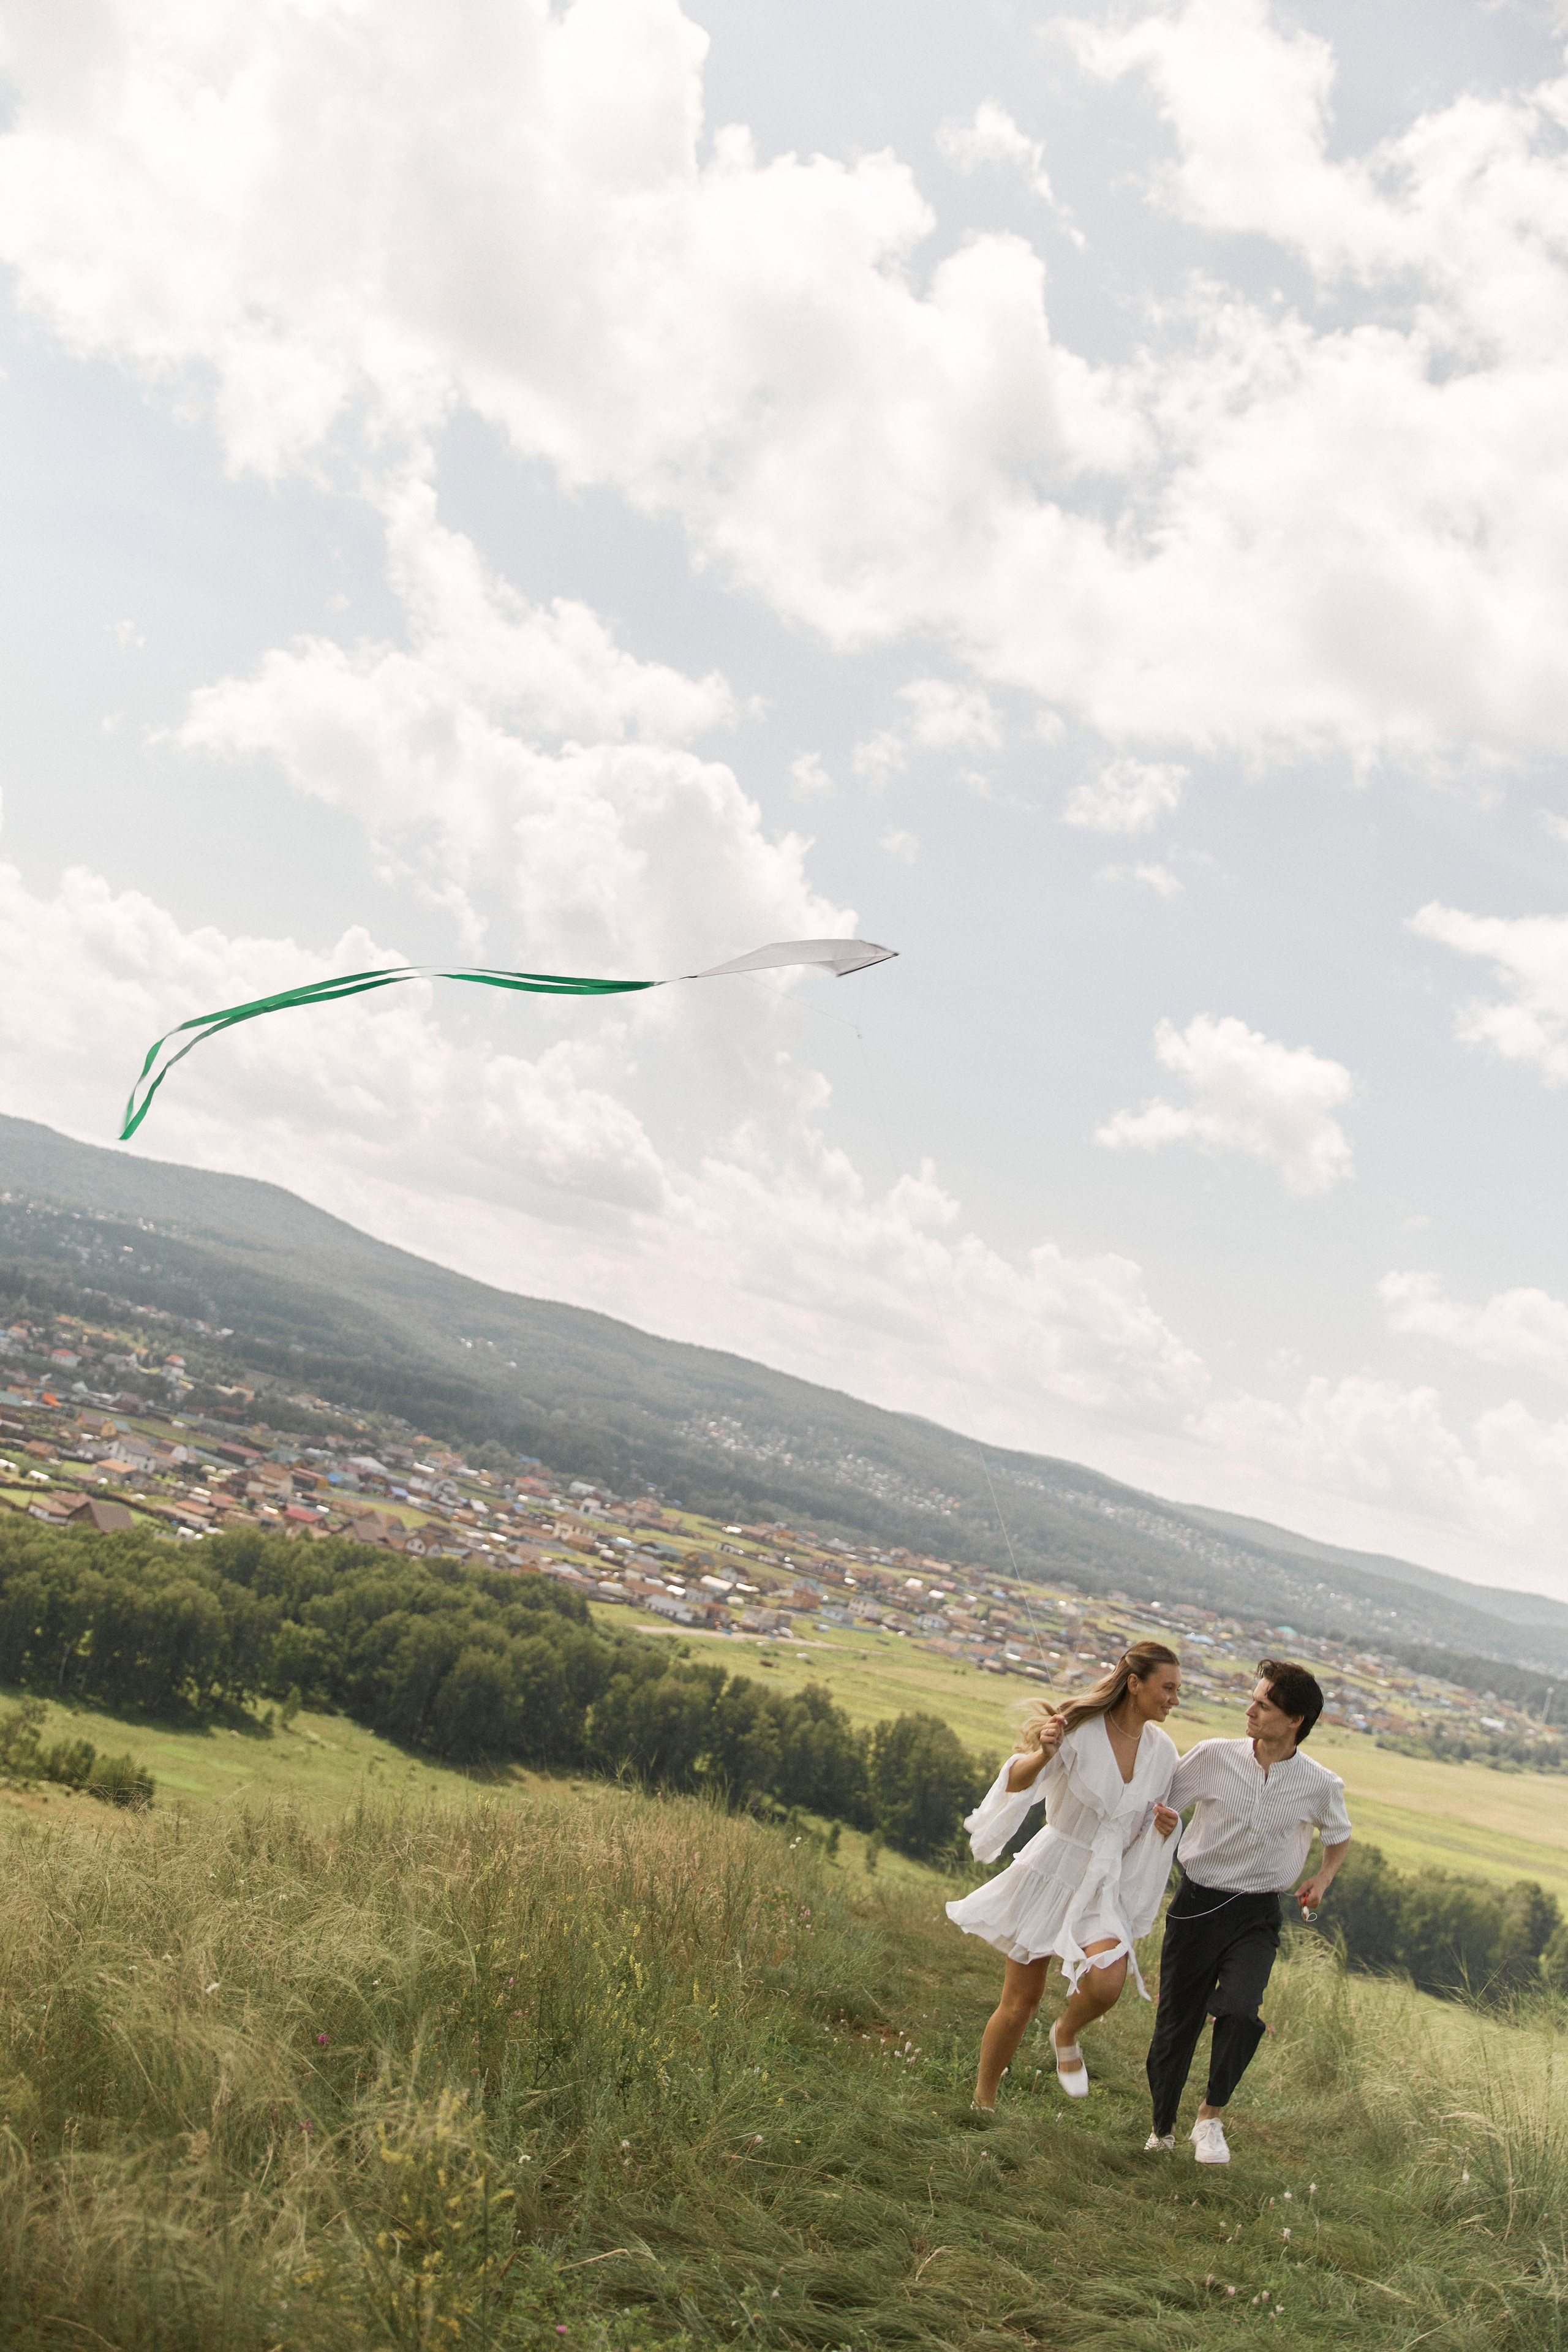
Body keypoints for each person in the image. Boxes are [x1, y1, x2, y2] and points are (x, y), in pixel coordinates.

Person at [947, 1641, 1183, 2109]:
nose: (1175, 1698)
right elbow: (1018, 1782)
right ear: (1134, 1684)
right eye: (1168, 1688)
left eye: (1178, 1690)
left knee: (1107, 1982)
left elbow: (1141, 1823)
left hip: (1102, 1885)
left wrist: (1166, 1826)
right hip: (1052, 1869)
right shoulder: (1078, 1730)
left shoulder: (1164, 1752)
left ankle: (1067, 2031)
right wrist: (1043, 1753)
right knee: (1020, 2004)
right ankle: (983, 2101)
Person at [1144, 1658, 1352, 2166]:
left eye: (1263, 1704)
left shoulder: (1321, 1784)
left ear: (1295, 1720)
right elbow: (1159, 1802)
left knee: (1240, 2011)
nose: (1250, 1710)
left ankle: (1210, 2118)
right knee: (1177, 2025)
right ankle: (1162, 2129)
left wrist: (1321, 1879)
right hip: (1196, 1905)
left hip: (1257, 1915)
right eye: (1254, 1699)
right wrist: (1162, 1821)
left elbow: (1339, 1834)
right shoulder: (1215, 1756)